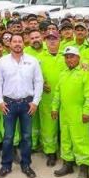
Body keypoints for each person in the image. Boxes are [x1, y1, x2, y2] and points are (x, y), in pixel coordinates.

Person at [0, 33, 43, 178]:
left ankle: (26, 165)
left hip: (27, 104)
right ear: (9, 44)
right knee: (8, 137)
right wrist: (0, 101)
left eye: (20, 41)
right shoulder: (2, 61)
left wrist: (35, 102)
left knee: (26, 137)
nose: (17, 44)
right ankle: (6, 165)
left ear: (23, 43)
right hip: (8, 104)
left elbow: (38, 81)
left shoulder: (32, 61)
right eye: (14, 41)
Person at [52, 46, 89, 178]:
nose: (69, 59)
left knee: (80, 140)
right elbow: (57, 92)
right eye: (67, 57)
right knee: (65, 139)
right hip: (64, 112)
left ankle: (84, 168)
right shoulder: (63, 73)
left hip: (79, 112)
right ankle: (68, 164)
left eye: (72, 57)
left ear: (78, 58)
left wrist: (87, 110)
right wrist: (54, 108)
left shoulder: (85, 73)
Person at [37, 33, 64, 166]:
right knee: (48, 126)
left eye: (55, 39)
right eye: (49, 39)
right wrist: (41, 84)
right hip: (47, 97)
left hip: (65, 97)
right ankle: (50, 152)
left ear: (60, 40)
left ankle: (67, 154)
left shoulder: (66, 56)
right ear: (45, 42)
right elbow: (33, 76)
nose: (52, 42)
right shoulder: (39, 58)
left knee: (65, 126)